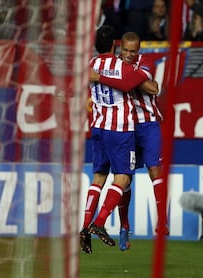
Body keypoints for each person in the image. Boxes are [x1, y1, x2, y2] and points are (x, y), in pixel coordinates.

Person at [79, 25, 159, 254]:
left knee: (98, 178)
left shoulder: (91, 65)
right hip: (120, 130)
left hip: (98, 127)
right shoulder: (120, 66)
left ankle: (84, 227)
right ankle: (100, 222)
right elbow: (136, 85)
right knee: (123, 179)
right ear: (115, 45)